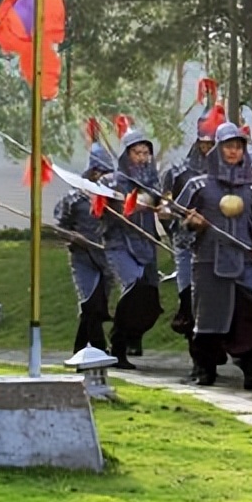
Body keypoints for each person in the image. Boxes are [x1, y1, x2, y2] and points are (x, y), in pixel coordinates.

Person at [176, 122, 252, 390]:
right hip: (209, 259)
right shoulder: (198, 185)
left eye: (238, 147)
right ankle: (204, 367)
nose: (233, 152)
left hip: (244, 260)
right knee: (210, 317)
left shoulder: (250, 188)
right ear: (217, 149)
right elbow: (177, 224)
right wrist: (191, 223)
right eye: (228, 146)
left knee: (250, 313)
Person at [99, 127, 166, 369]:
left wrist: (162, 208)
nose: (142, 157)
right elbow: (100, 211)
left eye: (145, 153)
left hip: (146, 242)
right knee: (133, 290)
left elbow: (163, 206)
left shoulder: (153, 183)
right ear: (126, 155)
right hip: (119, 243)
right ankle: (118, 344)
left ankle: (133, 337)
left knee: (149, 295)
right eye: (137, 153)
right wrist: (120, 205)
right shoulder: (110, 181)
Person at [160, 114, 218, 374]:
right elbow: (167, 209)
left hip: (219, 245)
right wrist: (174, 226)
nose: (209, 147)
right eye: (205, 142)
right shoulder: (178, 173)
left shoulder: (232, 172)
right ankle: (199, 363)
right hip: (187, 245)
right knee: (190, 301)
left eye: (214, 142)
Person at [54, 142, 115, 353]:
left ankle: (82, 348)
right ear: (93, 172)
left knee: (100, 305)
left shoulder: (111, 198)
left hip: (106, 256)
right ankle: (96, 347)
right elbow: (60, 229)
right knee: (89, 302)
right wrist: (73, 237)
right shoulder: (74, 198)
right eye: (102, 173)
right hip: (83, 257)